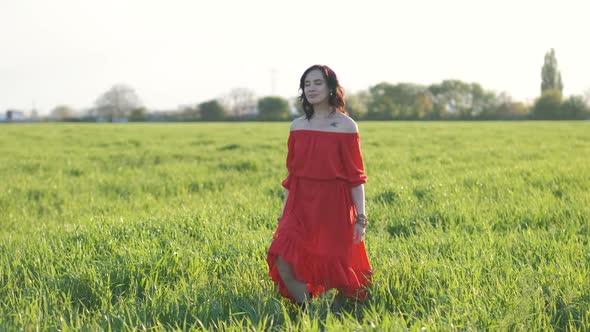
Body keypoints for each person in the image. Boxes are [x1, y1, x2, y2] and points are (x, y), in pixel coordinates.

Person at [266, 64, 372, 311]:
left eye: (317, 83)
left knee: (333, 265)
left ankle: (330, 312)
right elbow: (292, 175)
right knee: (282, 257)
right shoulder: (297, 126)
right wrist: (284, 213)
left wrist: (361, 218)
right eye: (307, 84)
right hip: (299, 203)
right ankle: (308, 307)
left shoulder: (346, 126)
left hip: (333, 204)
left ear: (331, 87)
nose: (311, 88)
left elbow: (356, 177)